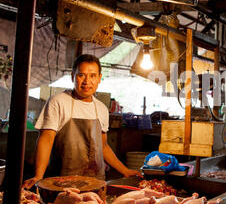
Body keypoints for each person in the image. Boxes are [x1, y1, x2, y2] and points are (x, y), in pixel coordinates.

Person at [23, 54, 142, 189]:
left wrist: (125, 171)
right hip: (62, 181)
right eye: (81, 75)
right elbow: (46, 139)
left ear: (99, 78)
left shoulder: (101, 109)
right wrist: (39, 176)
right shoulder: (58, 101)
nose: (87, 81)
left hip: (95, 182)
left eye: (92, 76)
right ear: (73, 76)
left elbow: (103, 147)